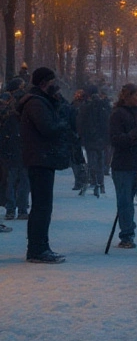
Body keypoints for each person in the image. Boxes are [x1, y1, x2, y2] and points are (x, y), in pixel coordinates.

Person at [18, 67, 76, 263]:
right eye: (52, 81)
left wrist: (58, 102)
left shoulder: (41, 101)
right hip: (39, 158)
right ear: (44, 83)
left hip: (41, 158)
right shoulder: (36, 103)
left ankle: (40, 246)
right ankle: (37, 249)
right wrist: (62, 123)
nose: (56, 84)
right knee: (42, 206)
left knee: (43, 206)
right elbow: (48, 128)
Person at [108, 83, 137, 250]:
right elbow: (115, 140)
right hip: (123, 165)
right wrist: (133, 135)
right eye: (136, 96)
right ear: (127, 97)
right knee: (125, 202)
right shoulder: (118, 114)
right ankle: (126, 235)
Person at [77, 85, 112, 197]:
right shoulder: (104, 105)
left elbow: (81, 123)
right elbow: (108, 121)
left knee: (92, 161)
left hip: (90, 138)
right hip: (102, 138)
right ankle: (101, 184)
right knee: (100, 161)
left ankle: (94, 181)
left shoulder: (85, 107)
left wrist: (82, 136)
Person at [1, 87, 30, 222]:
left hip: (13, 155)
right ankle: (21, 209)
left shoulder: (10, 119)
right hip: (24, 155)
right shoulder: (28, 118)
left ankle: (11, 209)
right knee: (23, 183)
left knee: (11, 183)